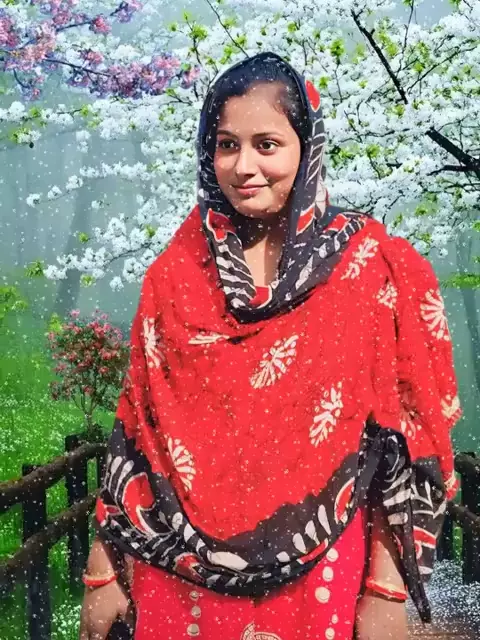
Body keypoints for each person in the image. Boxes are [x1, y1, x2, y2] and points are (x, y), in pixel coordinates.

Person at [79, 52, 461, 640]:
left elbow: (404, 438)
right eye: (226, 145)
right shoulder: (175, 275)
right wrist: (102, 568)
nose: (243, 167)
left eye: (267, 144)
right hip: (174, 569)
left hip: (320, 567)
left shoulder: (369, 268)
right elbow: (137, 427)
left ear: (307, 149)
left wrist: (387, 592)